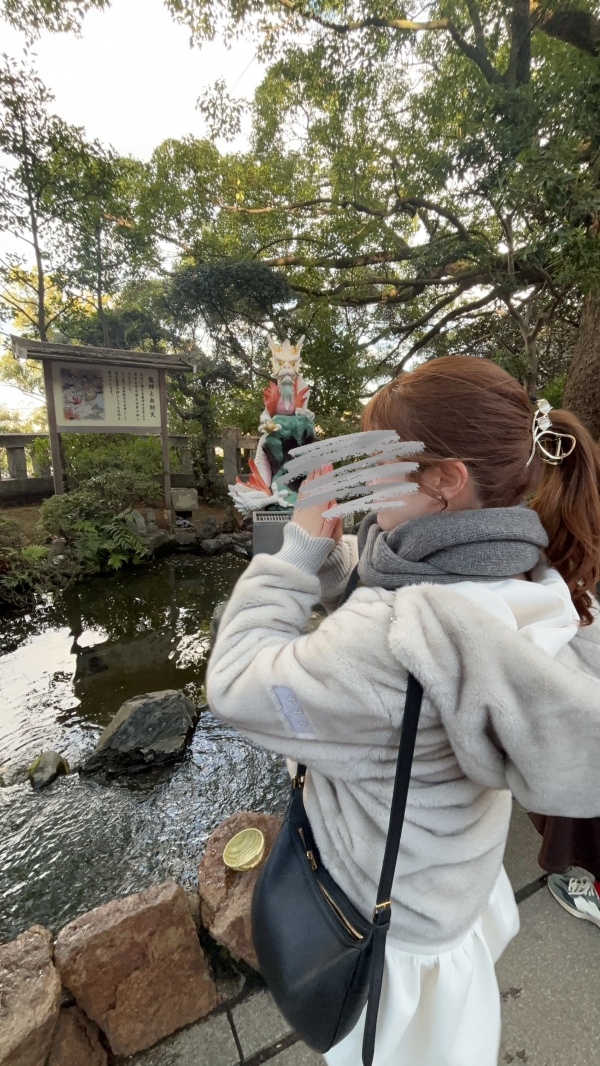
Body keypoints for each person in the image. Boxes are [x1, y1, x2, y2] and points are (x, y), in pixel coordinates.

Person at [206, 356, 600, 1066]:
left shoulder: (392, 639)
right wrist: (317, 549)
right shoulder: (535, 576)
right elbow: (397, 585)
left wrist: (291, 554)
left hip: (378, 929)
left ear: (444, 482)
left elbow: (239, 686)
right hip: (448, 888)